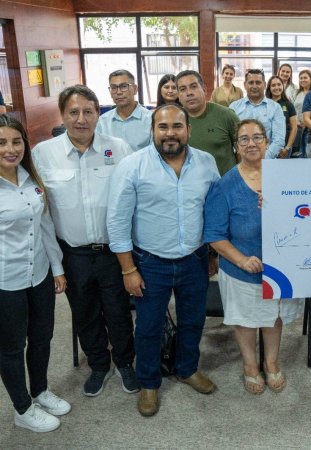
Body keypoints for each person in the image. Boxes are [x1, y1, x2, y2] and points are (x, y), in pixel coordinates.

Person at [107, 103, 221, 417]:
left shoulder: (206, 163)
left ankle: (187, 368)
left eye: (177, 126)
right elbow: (117, 221)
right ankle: (148, 382)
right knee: (148, 326)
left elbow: (214, 211)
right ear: (153, 130)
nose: (170, 133)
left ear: (188, 130)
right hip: (149, 262)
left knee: (193, 320)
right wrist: (128, 269)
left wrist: (212, 254)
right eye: (163, 127)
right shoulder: (132, 166)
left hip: (194, 259)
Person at [32, 85, 137, 398]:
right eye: (74, 112)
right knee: (85, 313)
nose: (81, 119)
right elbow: (42, 214)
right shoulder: (43, 154)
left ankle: (125, 362)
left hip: (113, 252)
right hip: (72, 255)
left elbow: (134, 199)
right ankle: (99, 365)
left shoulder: (119, 149)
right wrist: (55, 265)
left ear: (97, 114)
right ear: (62, 115)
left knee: (119, 312)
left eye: (88, 112)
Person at [204, 119, 303, 394]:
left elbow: (303, 214)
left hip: (281, 267)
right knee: (246, 320)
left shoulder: (285, 178)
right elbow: (214, 234)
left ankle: (271, 362)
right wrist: (241, 260)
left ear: (267, 142)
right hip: (242, 269)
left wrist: (281, 206)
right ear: (236, 146)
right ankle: (250, 365)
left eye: (257, 137)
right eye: (244, 139)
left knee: (274, 316)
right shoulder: (224, 185)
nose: (251, 144)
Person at [0, 114, 70, 432]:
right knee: (12, 348)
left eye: (16, 142)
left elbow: (45, 227)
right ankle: (22, 408)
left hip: (39, 274)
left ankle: (40, 390)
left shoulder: (31, 179)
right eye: (2, 143)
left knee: (42, 337)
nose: (10, 149)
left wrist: (57, 268)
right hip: (7, 283)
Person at [176, 70, 239, 176]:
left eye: (193, 87)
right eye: (183, 89)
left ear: (204, 89)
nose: (189, 93)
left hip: (226, 182)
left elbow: (243, 150)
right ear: (178, 95)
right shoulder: (175, 121)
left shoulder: (226, 115)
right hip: (191, 183)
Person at [229, 69, 286, 159]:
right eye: (251, 82)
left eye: (258, 83)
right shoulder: (234, 107)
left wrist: (263, 159)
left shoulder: (275, 108)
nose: (254, 86)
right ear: (245, 85)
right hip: (241, 161)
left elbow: (279, 140)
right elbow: (230, 137)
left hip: (267, 161)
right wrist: (239, 156)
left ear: (265, 85)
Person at [97, 69, 152, 151]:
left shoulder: (150, 120)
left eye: (124, 86)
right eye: (113, 88)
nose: (118, 92)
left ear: (135, 89)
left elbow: (155, 154)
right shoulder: (102, 122)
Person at [265, 75, 297, 158]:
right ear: (269, 88)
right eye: (273, 85)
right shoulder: (265, 104)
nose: (277, 87)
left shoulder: (288, 104)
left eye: (279, 84)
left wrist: (287, 147)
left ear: (283, 86)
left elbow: (294, 128)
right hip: (267, 148)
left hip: (284, 148)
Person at [291, 69, 311, 157]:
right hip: (297, 127)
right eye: (301, 78)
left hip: (310, 128)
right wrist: (296, 122)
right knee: (296, 153)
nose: (303, 80)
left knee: (307, 153)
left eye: (305, 78)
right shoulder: (296, 93)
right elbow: (291, 109)